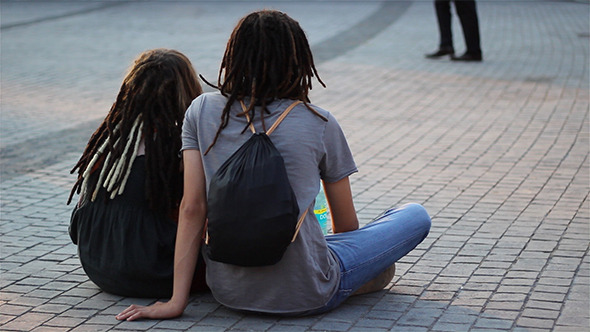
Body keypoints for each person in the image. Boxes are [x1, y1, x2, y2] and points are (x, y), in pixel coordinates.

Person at [116, 10, 431, 320]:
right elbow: (346, 227)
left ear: (234, 56)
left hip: (228, 291)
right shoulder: (319, 122)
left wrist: (175, 302)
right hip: (307, 291)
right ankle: (360, 277)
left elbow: (192, 208)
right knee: (414, 215)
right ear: (298, 61)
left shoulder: (201, 111)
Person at [67, 48, 205, 298]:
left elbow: (75, 228)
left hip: (98, 268)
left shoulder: (108, 143)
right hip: (158, 275)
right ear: (186, 92)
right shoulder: (178, 149)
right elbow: (193, 213)